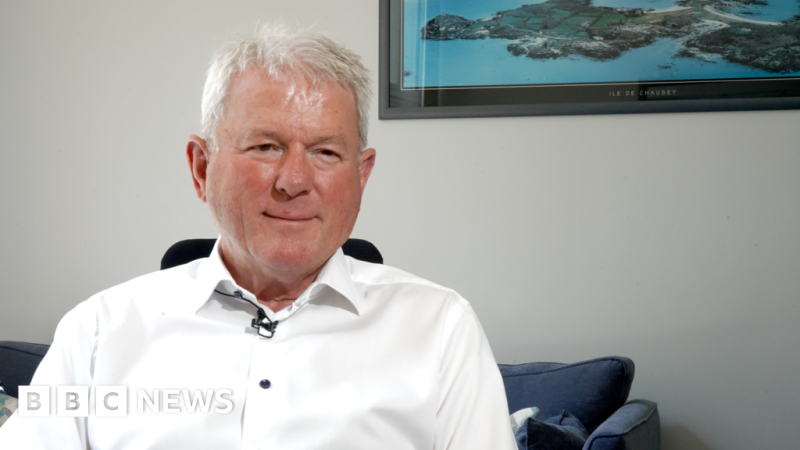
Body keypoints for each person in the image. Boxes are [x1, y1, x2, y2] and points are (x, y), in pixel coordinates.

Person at [0, 24, 516, 449]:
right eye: (266, 146)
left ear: (362, 177)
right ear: (201, 167)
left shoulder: (442, 329)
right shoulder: (95, 333)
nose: (294, 181)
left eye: (326, 153)